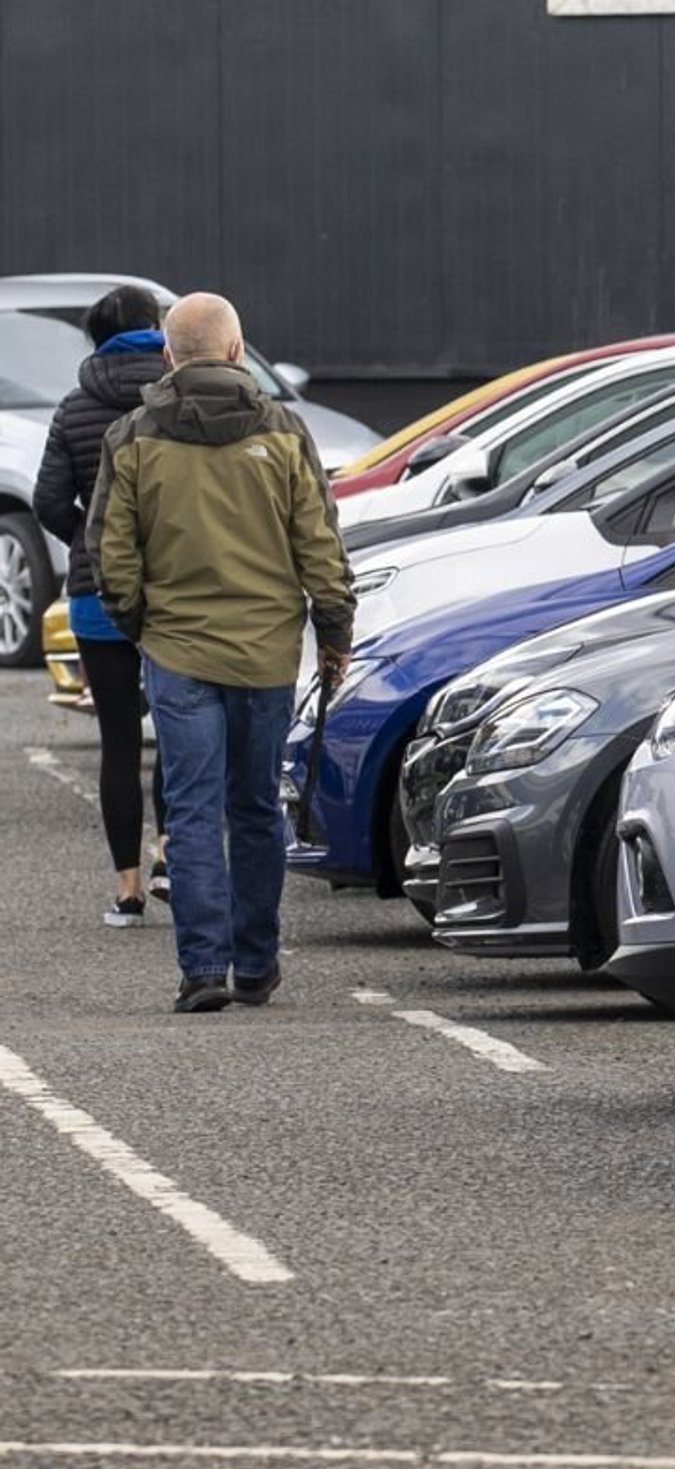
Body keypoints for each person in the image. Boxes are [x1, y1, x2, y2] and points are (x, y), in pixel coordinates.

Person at [89, 293, 355, 1013]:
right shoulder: (284, 432)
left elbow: (110, 551)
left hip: (177, 649)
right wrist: (333, 631)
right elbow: (319, 546)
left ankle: (202, 968)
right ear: (238, 352)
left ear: (170, 356)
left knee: (193, 810)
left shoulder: (134, 437)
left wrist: (139, 621)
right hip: (266, 651)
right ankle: (257, 962)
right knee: (257, 808)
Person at [32, 286, 173, 925]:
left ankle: (126, 889)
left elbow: (48, 501)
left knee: (119, 741)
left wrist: (89, 543)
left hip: (97, 596)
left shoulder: (74, 406)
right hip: (177, 590)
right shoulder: (177, 397)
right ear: (156, 328)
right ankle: (173, 854)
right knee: (179, 732)